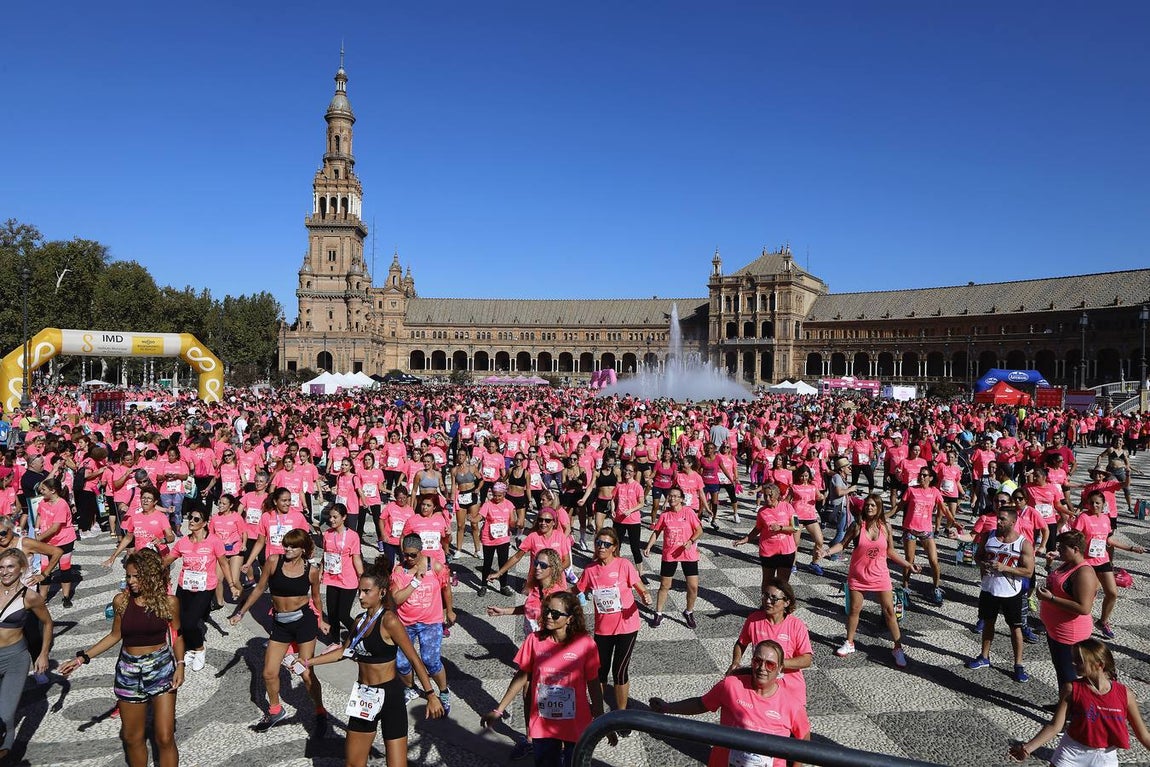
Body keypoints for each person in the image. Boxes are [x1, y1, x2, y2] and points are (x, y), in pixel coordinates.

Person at [304, 558, 444, 767]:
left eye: (366, 591)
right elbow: (344, 652)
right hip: (364, 695)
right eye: (360, 591)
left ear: (381, 592)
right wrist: (308, 662)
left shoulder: (389, 621)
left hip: (390, 696)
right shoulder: (360, 621)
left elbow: (414, 658)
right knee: (353, 764)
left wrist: (431, 695)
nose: (360, 596)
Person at [60, 549, 184, 767]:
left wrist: (180, 665)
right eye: (128, 576)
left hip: (162, 667)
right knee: (131, 737)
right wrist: (82, 658)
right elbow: (114, 635)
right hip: (129, 670)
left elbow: (178, 634)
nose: (131, 581)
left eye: (136, 576)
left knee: (164, 736)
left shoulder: (169, 602)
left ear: (151, 575)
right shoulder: (121, 602)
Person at [481, 592, 608, 767]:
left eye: (555, 614)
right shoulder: (534, 640)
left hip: (575, 722)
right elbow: (522, 676)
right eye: (547, 610)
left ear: (570, 619)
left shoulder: (585, 644)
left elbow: (593, 684)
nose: (548, 616)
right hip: (543, 722)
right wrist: (498, 710)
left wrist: (602, 722)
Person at [649, 639, 811, 767]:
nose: (762, 668)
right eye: (757, 661)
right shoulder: (731, 685)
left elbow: (803, 742)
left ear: (780, 668)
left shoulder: (792, 703)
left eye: (770, 664)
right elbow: (701, 704)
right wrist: (667, 707)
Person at [229, 528, 330, 732]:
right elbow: (259, 589)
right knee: (269, 672)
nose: (287, 549)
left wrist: (321, 620)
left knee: (306, 673)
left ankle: (320, 710)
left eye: (292, 546)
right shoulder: (274, 561)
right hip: (281, 624)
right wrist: (241, 612)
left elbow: (317, 598)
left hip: (304, 622)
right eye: (286, 544)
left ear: (302, 549)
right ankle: (275, 710)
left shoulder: (311, 570)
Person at [486, 547, 570, 761]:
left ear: (553, 568)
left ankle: (558, 745)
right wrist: (504, 611)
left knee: (551, 697)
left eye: (543, 565)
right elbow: (529, 608)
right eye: (535, 564)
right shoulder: (534, 587)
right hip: (532, 648)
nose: (537, 568)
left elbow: (568, 624)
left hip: (551, 653)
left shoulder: (559, 593)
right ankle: (530, 739)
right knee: (527, 694)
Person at [1010, 638, 1150, 766]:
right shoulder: (1071, 689)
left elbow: (1143, 735)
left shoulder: (1125, 694)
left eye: (1079, 660)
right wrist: (1027, 748)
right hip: (1072, 752)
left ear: (1099, 665)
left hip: (1105, 757)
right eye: (1074, 658)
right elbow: (1055, 726)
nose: (1073, 663)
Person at [825, 493, 917, 668]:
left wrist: (908, 564)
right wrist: (827, 552)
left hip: (880, 575)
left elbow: (891, 551)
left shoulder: (885, 527)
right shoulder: (858, 525)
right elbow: (842, 544)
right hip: (858, 575)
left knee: (890, 612)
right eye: (867, 505)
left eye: (873, 505)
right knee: (854, 610)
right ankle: (849, 642)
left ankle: (897, 648)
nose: (869, 508)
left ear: (879, 508)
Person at [576, 527, 650, 721]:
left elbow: (638, 586)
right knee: (600, 671)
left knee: (620, 670)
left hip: (627, 625)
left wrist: (645, 595)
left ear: (614, 547)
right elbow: (577, 589)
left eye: (606, 544)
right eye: (598, 543)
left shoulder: (624, 565)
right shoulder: (590, 570)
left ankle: (621, 714)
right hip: (603, 629)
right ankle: (598, 710)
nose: (601, 547)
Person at [965, 504, 1035, 683]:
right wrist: (983, 564)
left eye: (1003, 519)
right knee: (988, 623)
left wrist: (1005, 567)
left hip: (1011, 592)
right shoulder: (989, 536)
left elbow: (1028, 571)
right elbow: (978, 556)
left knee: (1015, 628)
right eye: (998, 518)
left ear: (1013, 521)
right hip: (989, 588)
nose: (999, 521)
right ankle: (984, 656)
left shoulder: (1023, 543)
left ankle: (1018, 664)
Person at [163, 507, 238, 672]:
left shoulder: (214, 541)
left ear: (205, 523)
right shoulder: (183, 542)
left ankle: (199, 649)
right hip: (185, 586)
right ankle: (189, 649)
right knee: (180, 621)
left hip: (205, 587)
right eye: (190, 517)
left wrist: (232, 585)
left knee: (190, 622)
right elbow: (168, 560)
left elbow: (224, 563)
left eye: (196, 519)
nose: (191, 521)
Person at [390, 533, 456, 713]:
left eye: (413, 555)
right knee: (401, 663)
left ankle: (443, 691)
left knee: (431, 660)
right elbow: (396, 598)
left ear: (421, 551)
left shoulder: (435, 566)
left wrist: (449, 610)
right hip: (405, 622)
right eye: (405, 554)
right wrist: (415, 581)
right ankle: (410, 688)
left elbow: (446, 588)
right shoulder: (398, 571)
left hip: (431, 622)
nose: (409, 558)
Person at [0, 548, 53, 761]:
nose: (4, 571)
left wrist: (43, 654)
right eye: (1, 567)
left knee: (5, 714)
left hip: (15, 658)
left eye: (10, 566)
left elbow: (48, 623)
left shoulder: (30, 597)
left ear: (21, 568)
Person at [1072, 489, 1146, 639]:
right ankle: (1078, 623)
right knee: (1088, 596)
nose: (1094, 505)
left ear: (1103, 504)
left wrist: (1131, 548)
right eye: (1091, 502)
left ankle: (1103, 621)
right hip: (1087, 563)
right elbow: (1074, 538)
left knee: (1112, 593)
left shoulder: (1106, 519)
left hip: (1103, 560)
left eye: (1097, 503)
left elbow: (1109, 540)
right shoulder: (1083, 517)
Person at [728, 580, 813, 703]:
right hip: (761, 684)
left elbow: (806, 660)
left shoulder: (797, 626)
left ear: (786, 603)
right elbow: (741, 643)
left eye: (774, 598)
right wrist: (735, 662)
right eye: (765, 596)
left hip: (789, 686)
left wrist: (775, 664)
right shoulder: (753, 620)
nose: (768, 601)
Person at [1038, 530, 1100, 697]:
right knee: (1061, 671)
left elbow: (1084, 607)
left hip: (1070, 633)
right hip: (1056, 630)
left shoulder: (1084, 573)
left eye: (1062, 548)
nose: (1059, 551)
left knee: (1069, 674)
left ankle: (1072, 710)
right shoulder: (1067, 563)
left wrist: (1050, 599)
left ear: (1076, 549)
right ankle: (1064, 704)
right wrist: (1049, 566)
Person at [644, 486, 703, 628]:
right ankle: (658, 614)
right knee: (665, 585)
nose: (672, 498)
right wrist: (649, 546)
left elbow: (699, 530)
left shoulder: (688, 512)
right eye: (670, 496)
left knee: (693, 586)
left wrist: (690, 541)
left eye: (676, 496)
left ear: (682, 499)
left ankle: (689, 612)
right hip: (669, 554)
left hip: (688, 554)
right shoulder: (665, 515)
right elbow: (656, 532)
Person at [896, 466, 947, 606]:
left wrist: (953, 522)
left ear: (931, 478)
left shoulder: (935, 491)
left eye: (925, 475)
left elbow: (944, 508)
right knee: (909, 560)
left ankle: (936, 588)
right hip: (910, 528)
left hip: (926, 530)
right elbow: (899, 506)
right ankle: (905, 587)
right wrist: (885, 515)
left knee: (934, 561)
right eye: (921, 474)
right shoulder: (911, 490)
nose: (922, 477)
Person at [735, 482, 798, 591]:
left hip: (787, 551)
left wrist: (781, 528)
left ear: (777, 495)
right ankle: (765, 604)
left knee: (783, 582)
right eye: (765, 495)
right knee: (767, 581)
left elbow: (796, 527)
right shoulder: (761, 511)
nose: (767, 498)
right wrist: (746, 539)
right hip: (768, 551)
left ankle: (780, 605)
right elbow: (758, 528)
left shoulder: (788, 507)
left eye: (770, 495)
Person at [321, 503, 365, 644]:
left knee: (343, 614)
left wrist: (362, 578)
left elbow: (356, 558)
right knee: (332, 614)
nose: (332, 520)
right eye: (330, 517)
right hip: (331, 577)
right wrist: (321, 571)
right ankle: (335, 642)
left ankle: (362, 634)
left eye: (335, 517)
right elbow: (325, 554)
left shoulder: (353, 536)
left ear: (344, 517)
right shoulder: (327, 534)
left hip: (348, 580)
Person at [34, 477, 78, 608]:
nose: (41, 491)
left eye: (44, 489)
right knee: (44, 568)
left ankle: (65, 596)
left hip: (63, 540)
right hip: (46, 540)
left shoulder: (62, 504)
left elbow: (55, 527)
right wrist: (37, 529)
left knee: (65, 568)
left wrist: (39, 538)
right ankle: (42, 598)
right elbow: (40, 515)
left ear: (53, 491)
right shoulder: (43, 502)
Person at [476, 482, 515, 597]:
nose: (497, 498)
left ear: (504, 494)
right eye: (495, 495)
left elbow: (512, 521)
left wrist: (516, 522)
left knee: (503, 563)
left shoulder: (509, 504)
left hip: (503, 538)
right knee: (487, 563)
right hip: (489, 538)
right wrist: (473, 518)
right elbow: (480, 516)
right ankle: (484, 585)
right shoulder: (488, 504)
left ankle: (503, 586)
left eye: (500, 495)